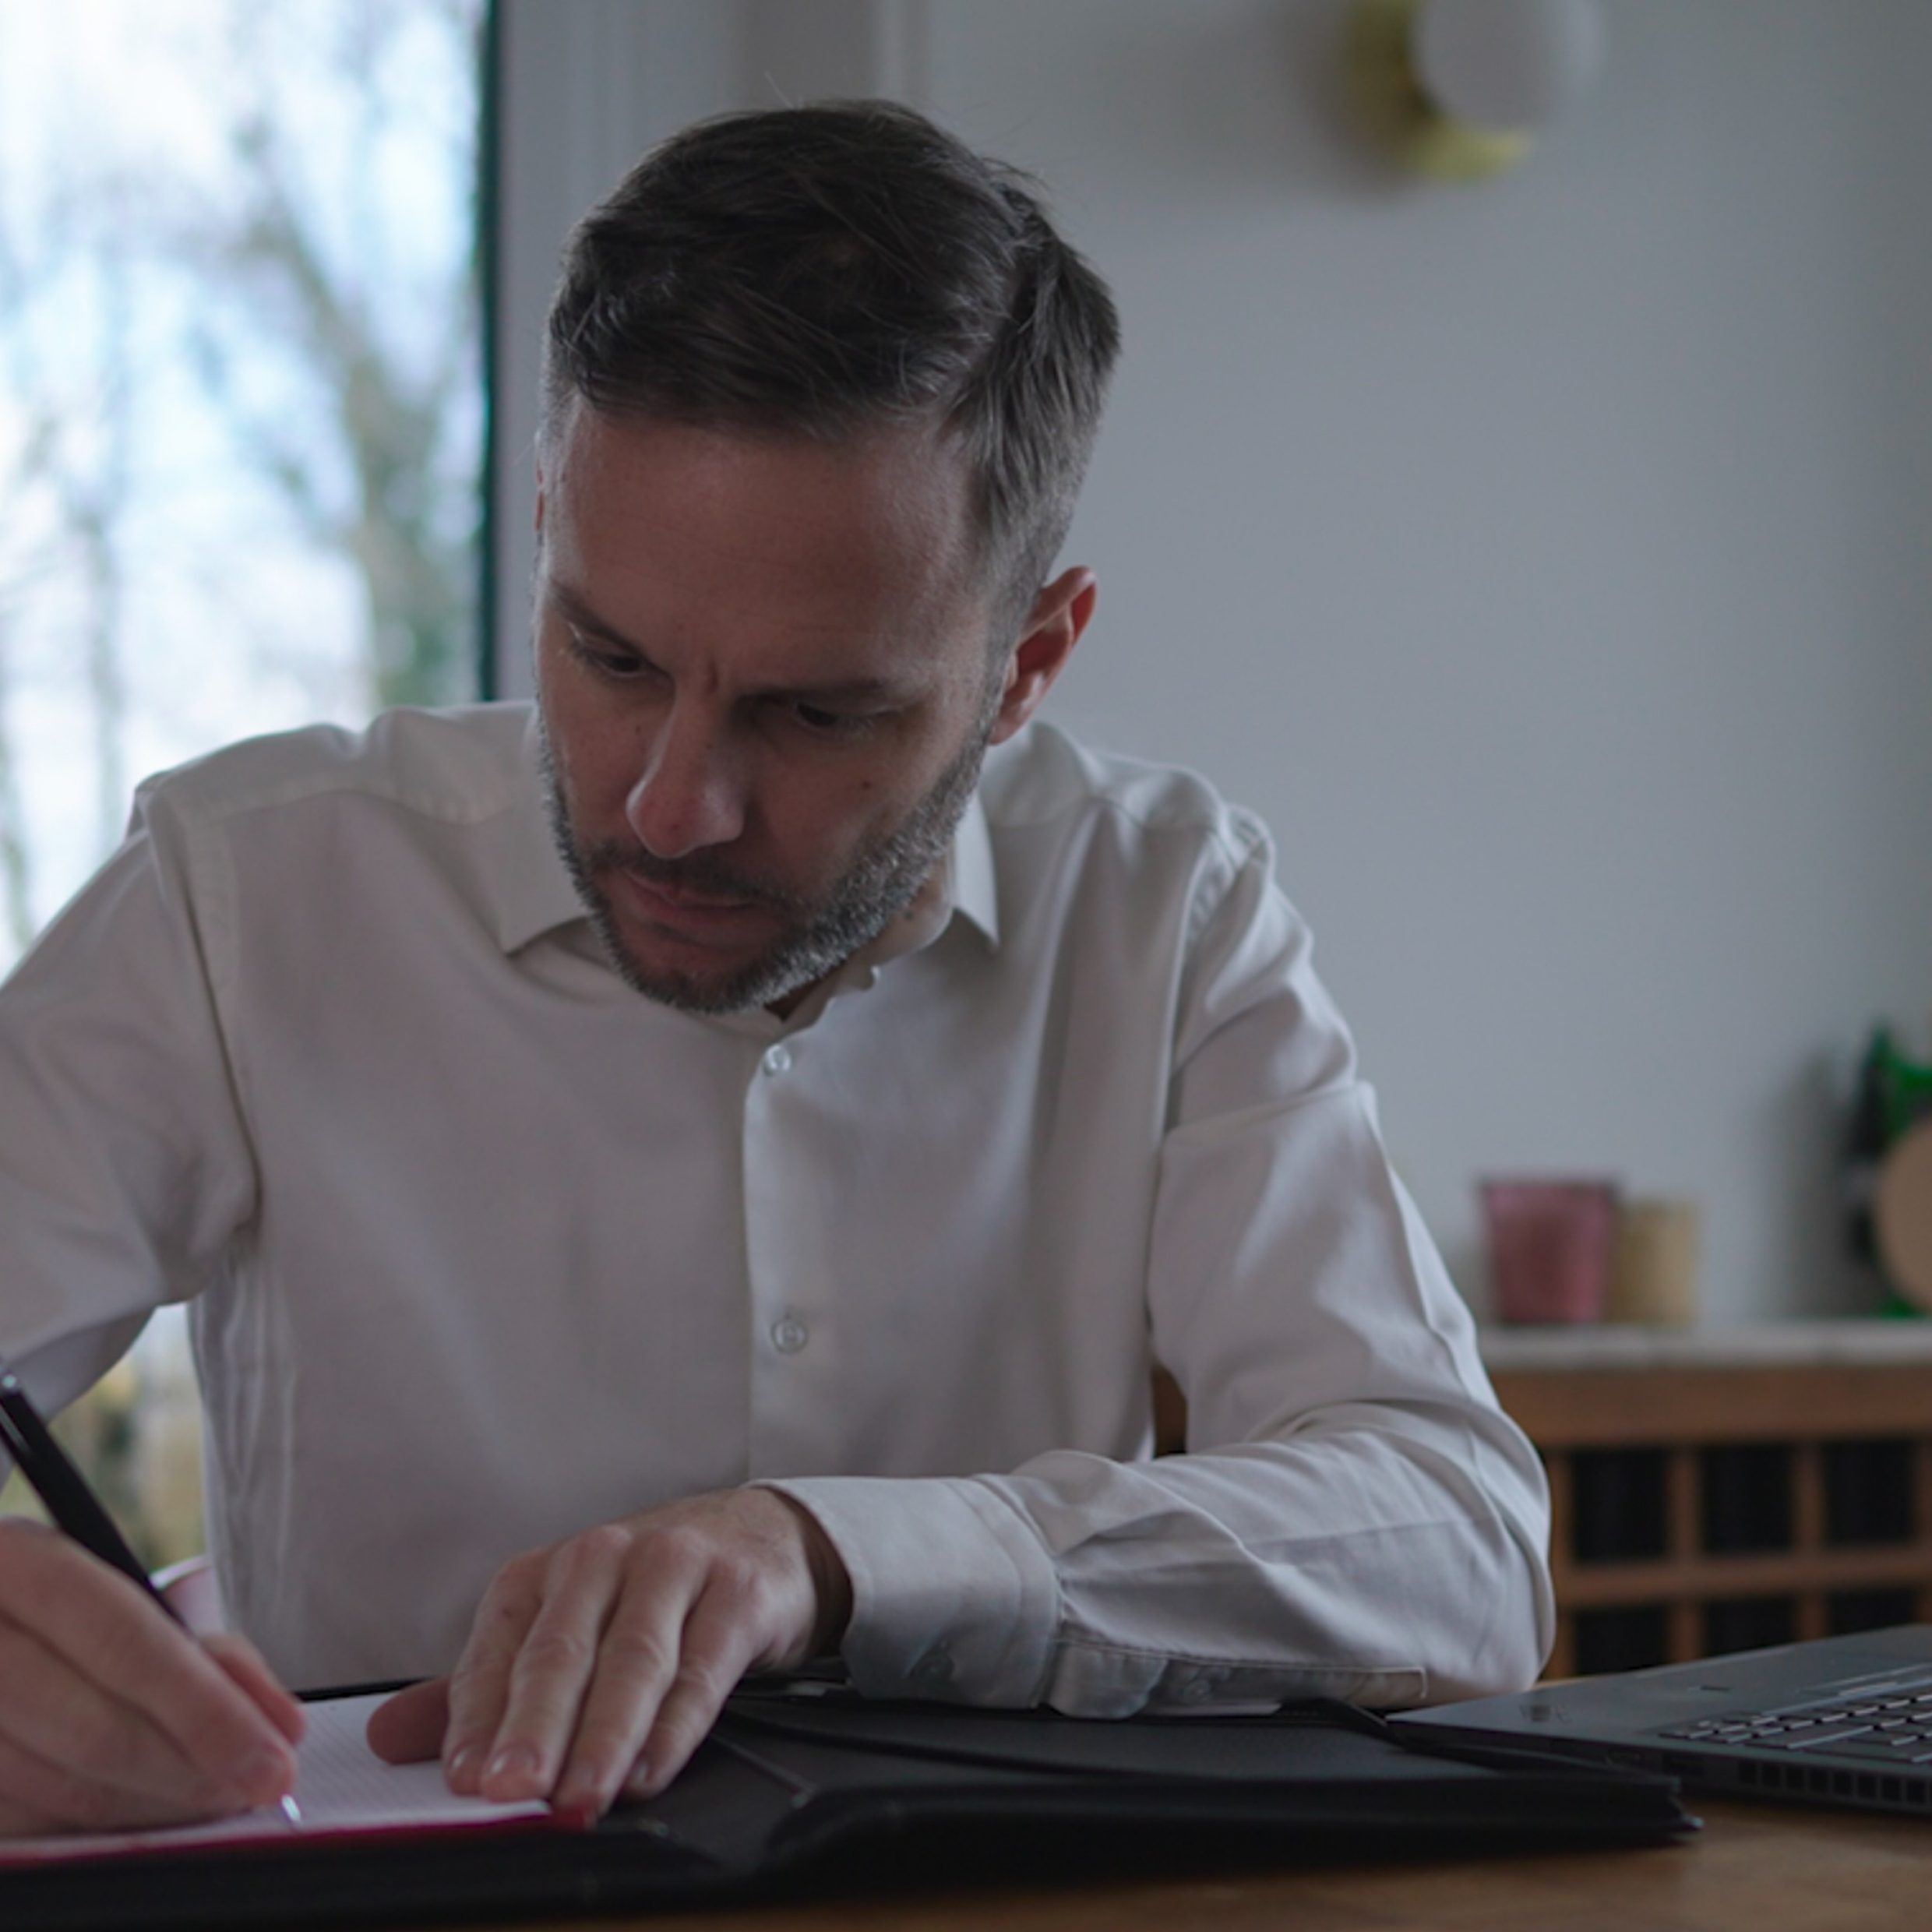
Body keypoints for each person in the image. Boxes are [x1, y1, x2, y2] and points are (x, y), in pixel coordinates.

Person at [0, 101, 1550, 1836]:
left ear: (1027, 659)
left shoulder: (1160, 907)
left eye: (814, 710)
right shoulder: (245, 888)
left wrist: (830, 1553)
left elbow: (1457, 1546)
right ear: (542, 523)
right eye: (609, 652)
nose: (671, 805)